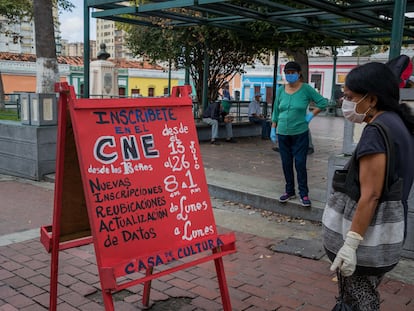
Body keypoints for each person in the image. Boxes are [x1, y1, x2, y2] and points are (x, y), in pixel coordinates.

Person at [323, 62, 414, 310]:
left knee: (360, 298)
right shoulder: (399, 123)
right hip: (386, 232)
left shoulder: (376, 132)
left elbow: (371, 195)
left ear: (371, 99)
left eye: (350, 97)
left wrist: (351, 245)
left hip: (367, 236)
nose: (345, 102)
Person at [270, 61, 327, 207]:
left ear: (299, 73)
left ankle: (304, 193)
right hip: (282, 132)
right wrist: (273, 127)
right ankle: (289, 191)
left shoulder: (306, 89)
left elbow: (322, 103)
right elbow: (276, 111)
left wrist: (311, 115)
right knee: (286, 163)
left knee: (300, 163)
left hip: (300, 133)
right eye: (287, 73)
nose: (290, 75)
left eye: (292, 73)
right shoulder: (281, 90)